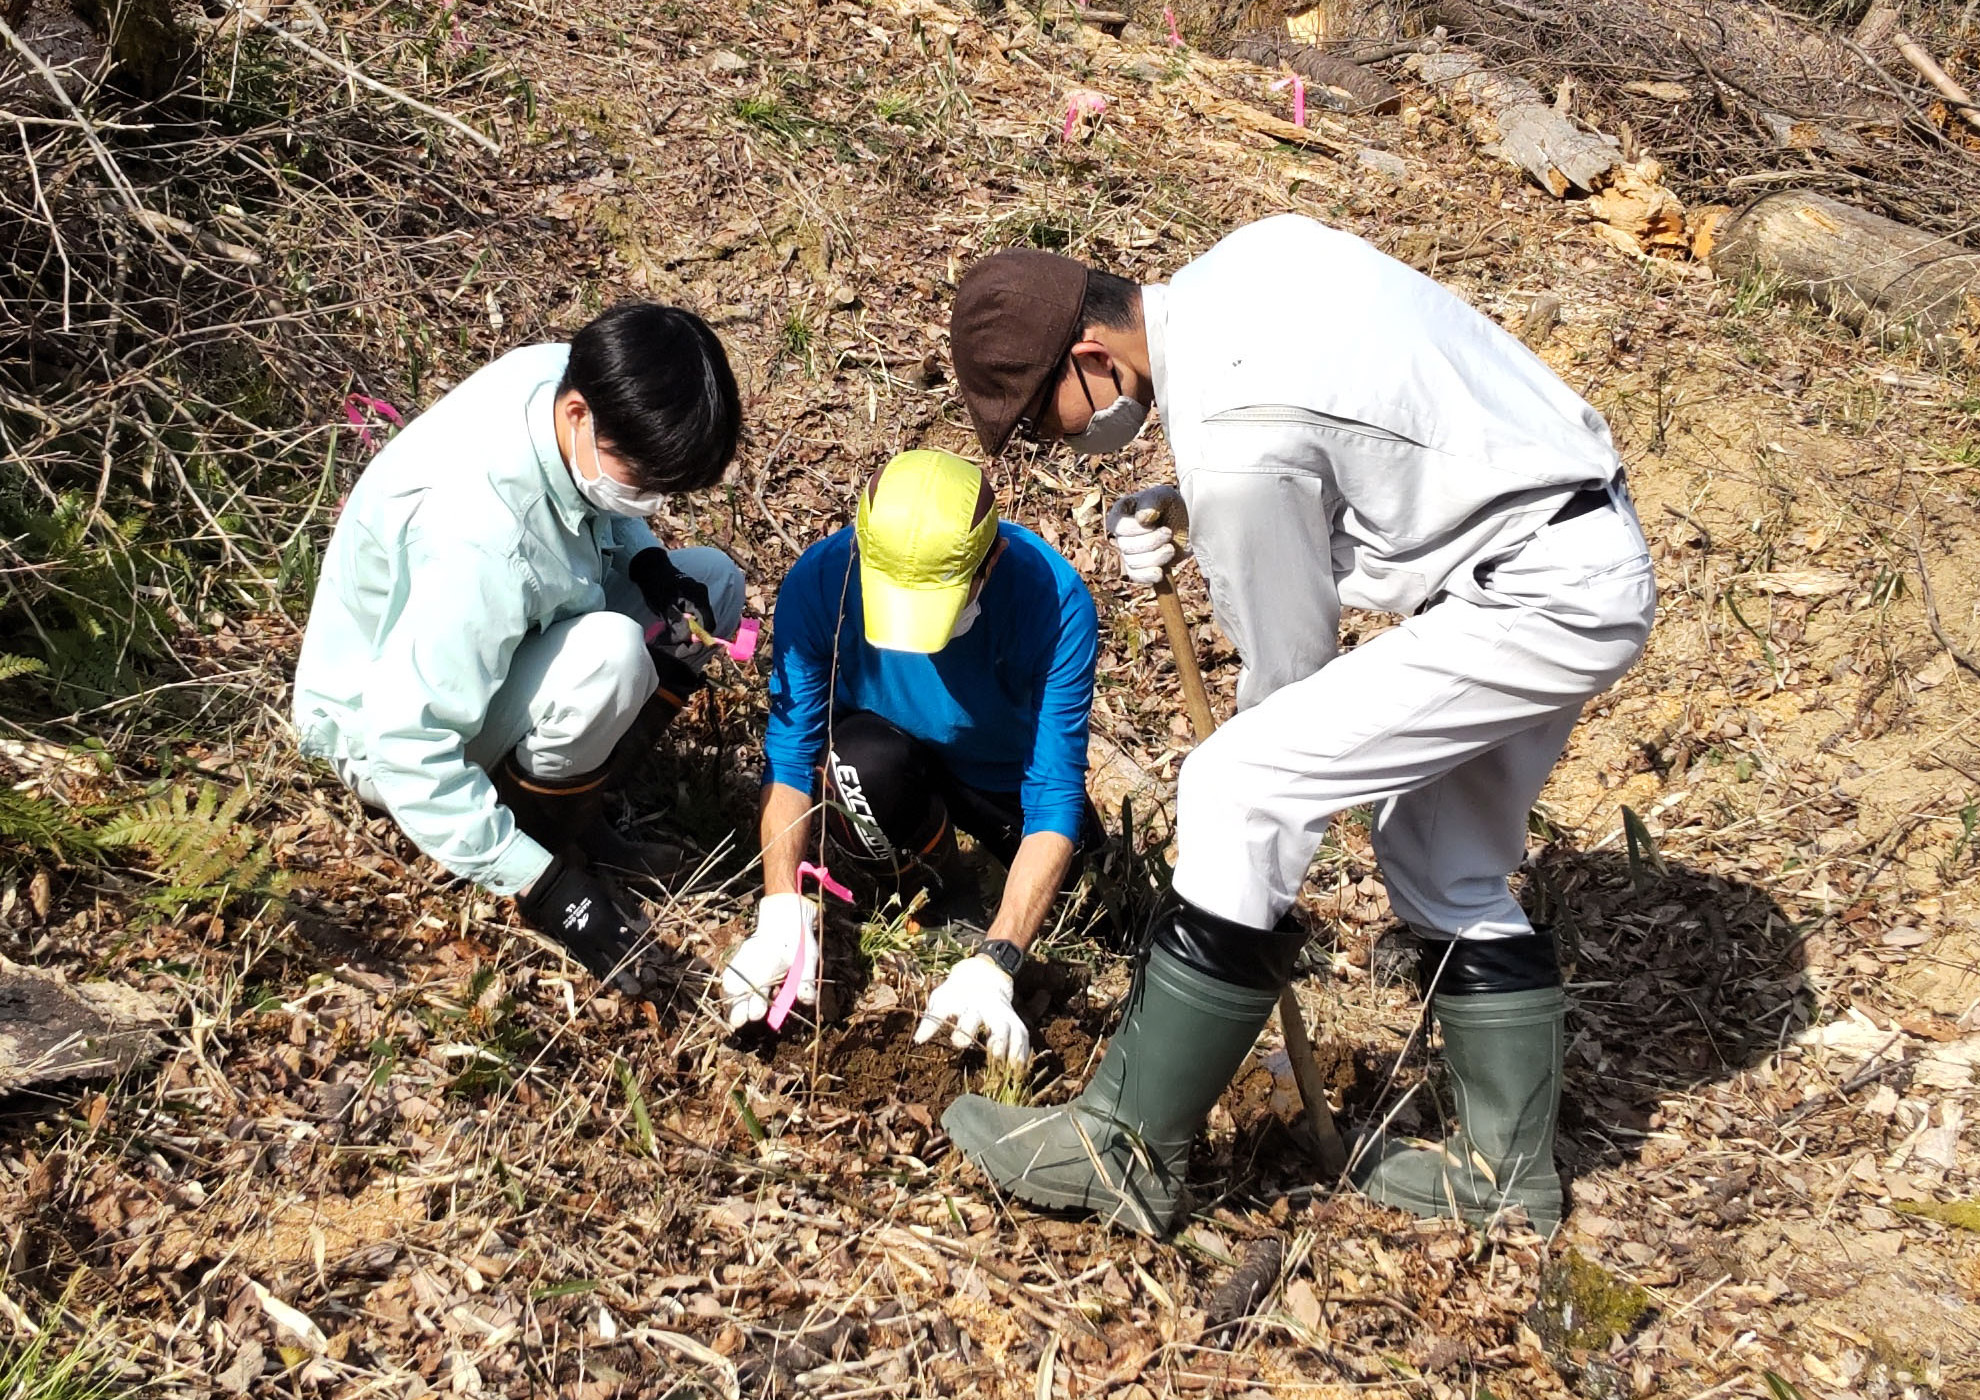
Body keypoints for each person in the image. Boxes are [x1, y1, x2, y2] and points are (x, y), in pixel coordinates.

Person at [938, 214, 1657, 1236]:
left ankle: (1127, 1146)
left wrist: (1242, 883)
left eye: (1053, 421)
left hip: (1534, 591)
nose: (1066, 446)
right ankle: (1507, 1175)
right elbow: (1343, 426)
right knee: (1438, 854)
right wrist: (1195, 506)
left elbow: (1287, 673)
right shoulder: (1247, 263)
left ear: (1093, 354)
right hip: (1568, 536)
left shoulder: (1236, 441)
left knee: (1240, 781)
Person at [292, 303, 748, 984]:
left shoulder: (559, 381)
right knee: (612, 656)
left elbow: (598, 503)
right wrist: (543, 889)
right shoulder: (480, 535)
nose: (651, 501)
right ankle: (545, 839)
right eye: (645, 482)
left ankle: (581, 805)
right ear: (577, 416)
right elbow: (404, 743)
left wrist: (649, 561)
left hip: (496, 629)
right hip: (375, 727)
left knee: (713, 581)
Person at [720, 449, 1102, 1064]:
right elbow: (792, 758)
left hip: (999, 774)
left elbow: (1054, 794)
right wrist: (779, 905)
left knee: (1094, 898)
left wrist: (1001, 957)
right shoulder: (821, 583)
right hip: (880, 755)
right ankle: (938, 890)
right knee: (860, 765)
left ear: (991, 562)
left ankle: (985, 927)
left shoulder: (1054, 604)